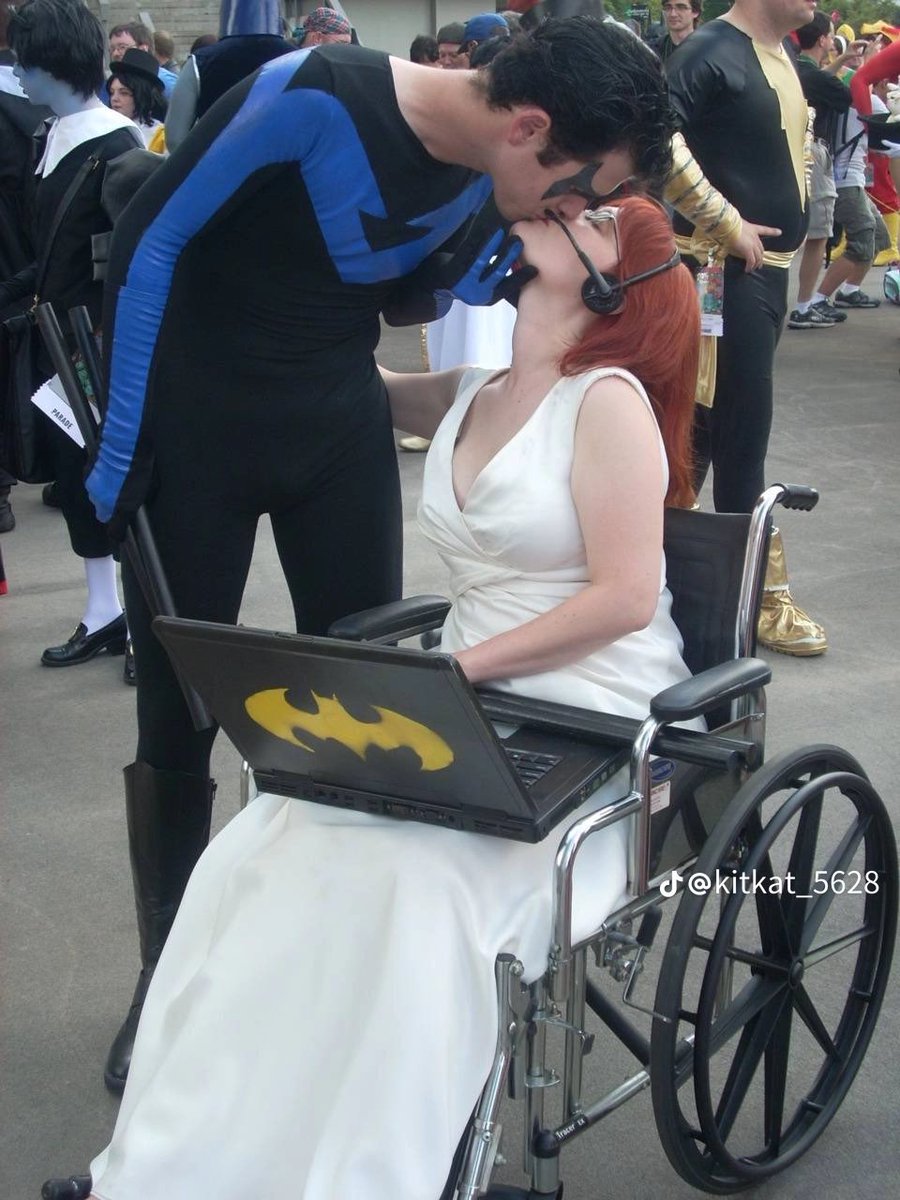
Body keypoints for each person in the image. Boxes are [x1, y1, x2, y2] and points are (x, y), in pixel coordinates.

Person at [51, 192, 701, 1200]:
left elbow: (623, 598)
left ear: (617, 283)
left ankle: (360, 1175)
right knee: (263, 850)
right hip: (459, 703)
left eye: (600, 221)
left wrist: (461, 670)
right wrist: (229, 312)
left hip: (585, 709)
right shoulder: (477, 392)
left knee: (416, 886)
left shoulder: (608, 401)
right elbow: (349, 379)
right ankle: (191, 1163)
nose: (566, 207)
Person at [665, 0, 828, 657]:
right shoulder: (710, 52)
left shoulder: (773, 52)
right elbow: (652, 133)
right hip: (725, 273)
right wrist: (721, 219)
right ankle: (753, 597)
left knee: (710, 431)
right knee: (736, 432)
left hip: (758, 275)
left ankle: (677, 576)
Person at [0, 0, 142, 670]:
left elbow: (139, 265)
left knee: (119, 483)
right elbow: (47, 256)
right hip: (59, 344)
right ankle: (104, 610)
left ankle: (144, 623)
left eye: (24, 61)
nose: (17, 73)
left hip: (103, 350)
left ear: (50, 63)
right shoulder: (49, 136)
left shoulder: (118, 147)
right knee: (75, 480)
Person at [789, 12, 861, 329]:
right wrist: (859, 66)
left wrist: (841, 59)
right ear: (822, 40)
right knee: (819, 235)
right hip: (814, 154)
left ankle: (804, 304)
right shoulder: (817, 78)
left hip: (791, 152)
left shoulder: (794, 67)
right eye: (831, 36)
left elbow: (818, 79)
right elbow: (848, 95)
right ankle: (804, 306)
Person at [164, 0, 295, 153]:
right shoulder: (300, 58)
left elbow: (174, 138)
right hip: (287, 163)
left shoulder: (199, 62)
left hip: (216, 163)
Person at [105, 48, 166, 151]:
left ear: (142, 96)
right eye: (112, 92)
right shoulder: (103, 129)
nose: (114, 99)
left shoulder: (161, 137)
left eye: (124, 93)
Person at [107, 23, 177, 98]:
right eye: (112, 49)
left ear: (143, 49)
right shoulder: (114, 83)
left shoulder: (167, 83)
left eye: (122, 47)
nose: (115, 53)